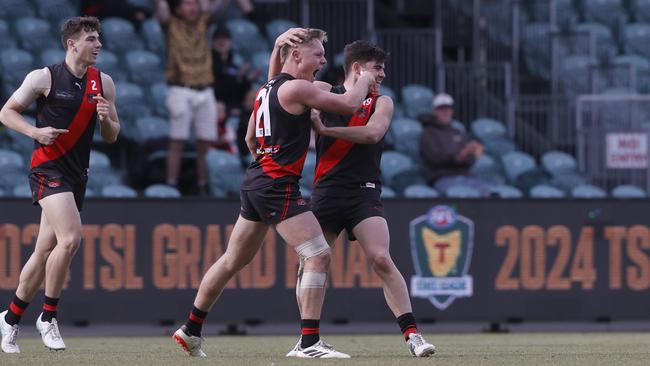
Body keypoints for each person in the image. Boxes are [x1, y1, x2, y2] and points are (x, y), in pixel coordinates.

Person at [171, 28, 376, 359]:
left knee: (232, 259)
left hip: (257, 181)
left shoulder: (269, 88)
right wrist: (365, 78)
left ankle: (191, 328)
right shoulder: (297, 89)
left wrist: (278, 45)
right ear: (296, 56)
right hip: (276, 184)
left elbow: (251, 138)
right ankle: (309, 343)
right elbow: (350, 104)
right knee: (318, 255)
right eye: (317, 53)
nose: (324, 59)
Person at [268, 32, 436, 358]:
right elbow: (277, 88)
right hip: (327, 193)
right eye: (377, 68)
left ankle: (413, 335)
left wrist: (326, 130)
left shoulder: (382, 102)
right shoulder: (321, 91)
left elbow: (373, 134)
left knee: (381, 258)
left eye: (384, 69)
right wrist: (278, 48)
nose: (383, 75)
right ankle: (307, 339)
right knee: (311, 263)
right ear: (358, 69)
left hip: (364, 192)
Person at [0, 16, 120, 353]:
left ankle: (9, 319)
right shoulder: (44, 77)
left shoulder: (104, 82)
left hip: (76, 174)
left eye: (99, 39)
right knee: (71, 239)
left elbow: (113, 135)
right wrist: (35, 132)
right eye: (92, 39)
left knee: (42, 252)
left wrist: (106, 118)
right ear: (72, 43)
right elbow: (6, 112)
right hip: (47, 168)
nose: (99, 45)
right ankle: (48, 317)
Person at [155, 0, 219, 195]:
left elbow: (215, 6)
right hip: (180, 89)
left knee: (205, 142)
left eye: (195, 4)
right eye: (187, 4)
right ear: (179, 8)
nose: (192, 8)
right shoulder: (171, 24)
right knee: (177, 140)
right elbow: (162, 9)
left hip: (206, 90)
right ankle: (171, 184)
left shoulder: (204, 22)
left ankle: (203, 186)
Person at [418, 93, 488, 195]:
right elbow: (434, 158)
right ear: (435, 111)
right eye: (442, 109)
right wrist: (458, 157)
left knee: (490, 191)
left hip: (464, 177)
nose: (446, 112)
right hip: (442, 178)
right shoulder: (428, 133)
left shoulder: (457, 132)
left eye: (448, 109)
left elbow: (467, 160)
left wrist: (473, 155)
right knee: (459, 194)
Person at [211, 27, 260, 114]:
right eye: (218, 39)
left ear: (230, 42)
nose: (222, 41)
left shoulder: (233, 65)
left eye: (225, 39)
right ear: (213, 42)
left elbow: (239, 87)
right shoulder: (208, 63)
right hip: (216, 104)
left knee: (253, 94)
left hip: (235, 105)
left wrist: (246, 80)